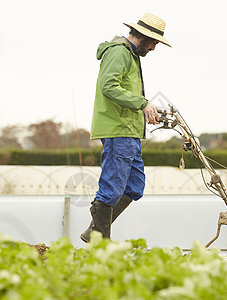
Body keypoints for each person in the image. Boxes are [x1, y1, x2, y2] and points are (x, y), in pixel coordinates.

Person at [80, 12, 171, 242]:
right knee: (111, 187)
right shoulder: (119, 52)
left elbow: (126, 93)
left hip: (130, 131)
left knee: (134, 187)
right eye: (154, 43)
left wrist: (148, 111)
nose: (153, 48)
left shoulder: (132, 55)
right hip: (118, 130)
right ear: (144, 36)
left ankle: (94, 230)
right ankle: (101, 244)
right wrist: (142, 104)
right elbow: (108, 86)